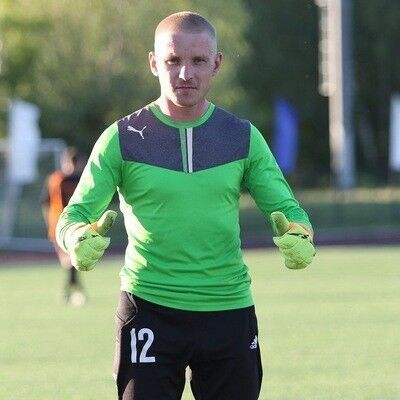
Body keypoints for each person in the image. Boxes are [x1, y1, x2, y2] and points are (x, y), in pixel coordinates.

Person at [56, 11, 315, 400]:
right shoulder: (121, 138)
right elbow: (73, 216)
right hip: (149, 308)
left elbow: (290, 211)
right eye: (173, 60)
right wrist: (76, 237)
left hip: (228, 309)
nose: (185, 73)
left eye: (198, 61)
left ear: (217, 63)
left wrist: (300, 234)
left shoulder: (242, 137)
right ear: (153, 63)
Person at [42, 146, 87, 306]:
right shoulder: (56, 179)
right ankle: (73, 291)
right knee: (69, 260)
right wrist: (50, 224)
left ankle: (70, 291)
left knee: (72, 260)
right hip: (59, 227)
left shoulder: (81, 180)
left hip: (76, 226)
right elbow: (46, 203)